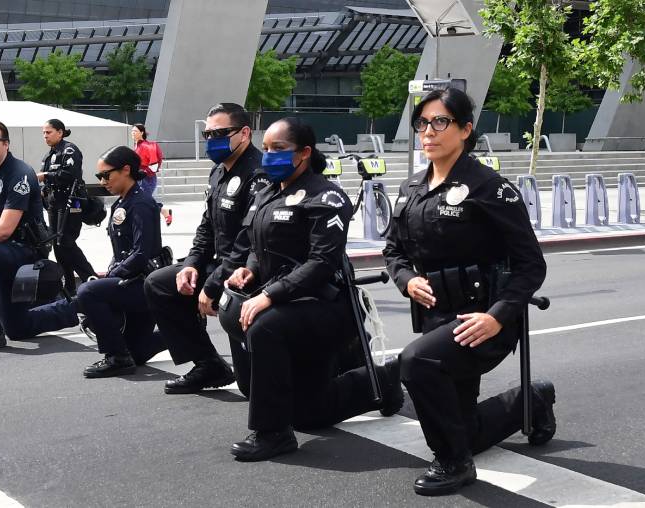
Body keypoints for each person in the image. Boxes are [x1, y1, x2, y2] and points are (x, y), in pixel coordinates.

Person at [382, 87, 556, 496]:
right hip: (436, 317)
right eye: (422, 123)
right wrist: (406, 279)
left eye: (440, 122)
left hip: (483, 319)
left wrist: (498, 316)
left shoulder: (489, 188)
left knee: (417, 363)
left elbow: (531, 264)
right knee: (464, 428)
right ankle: (531, 401)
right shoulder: (412, 188)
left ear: (464, 129)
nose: (429, 131)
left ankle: (454, 464)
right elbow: (393, 250)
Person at [222, 117, 403, 462]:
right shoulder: (266, 194)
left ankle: (272, 433)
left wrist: (269, 295)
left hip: (326, 306)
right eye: (268, 148)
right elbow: (259, 249)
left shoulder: (327, 196)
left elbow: (321, 262)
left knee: (264, 327)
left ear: (304, 153)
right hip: (290, 304)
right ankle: (381, 380)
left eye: (280, 149)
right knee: (310, 414)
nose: (269, 155)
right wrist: (248, 270)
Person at [144, 103, 269, 396]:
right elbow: (207, 227)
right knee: (161, 283)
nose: (212, 140)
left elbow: (248, 241)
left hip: (250, 274)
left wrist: (212, 285)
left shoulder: (258, 174)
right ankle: (207, 364)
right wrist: (192, 265)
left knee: (252, 388)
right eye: (207, 134)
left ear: (244, 133)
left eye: (220, 133)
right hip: (221, 267)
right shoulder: (218, 172)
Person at [0, 120, 74, 352]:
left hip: (24, 250)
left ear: (6, 144)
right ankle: (73, 309)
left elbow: (4, 230)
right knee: (18, 328)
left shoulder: (20, 173)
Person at [78, 145, 167, 378]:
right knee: (136, 353)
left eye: (106, 175)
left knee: (88, 292)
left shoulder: (140, 203)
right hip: (131, 279)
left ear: (126, 170)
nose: (102, 180)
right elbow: (122, 250)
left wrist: (113, 275)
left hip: (142, 282)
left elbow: (141, 253)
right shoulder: (122, 202)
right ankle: (183, 330)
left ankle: (116, 357)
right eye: (99, 176)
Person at [36, 119, 97, 295]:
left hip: (71, 203)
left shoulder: (69, 150)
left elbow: (71, 174)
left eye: (48, 132)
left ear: (60, 132)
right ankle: (69, 286)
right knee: (57, 244)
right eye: (43, 133)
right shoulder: (49, 155)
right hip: (53, 204)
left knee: (66, 242)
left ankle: (90, 279)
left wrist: (46, 176)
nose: (45, 136)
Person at [132, 123, 172, 226]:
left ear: (142, 133)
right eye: (132, 131)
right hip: (139, 177)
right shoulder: (136, 146)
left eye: (135, 131)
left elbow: (154, 165)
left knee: (143, 200)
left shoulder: (147, 146)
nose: (133, 133)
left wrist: (144, 173)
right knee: (142, 200)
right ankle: (163, 212)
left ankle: (161, 213)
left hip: (147, 178)